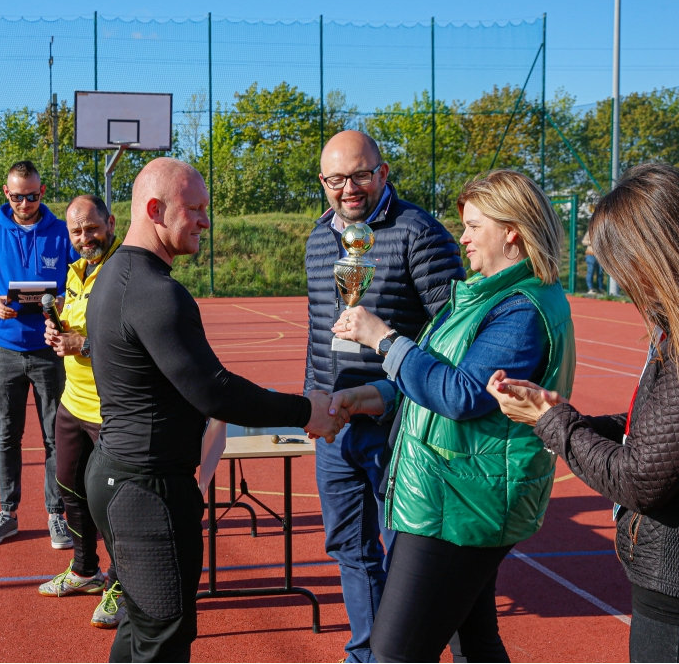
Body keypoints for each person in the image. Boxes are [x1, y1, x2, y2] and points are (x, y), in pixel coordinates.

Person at [86, 157, 346, 662]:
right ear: (156, 209)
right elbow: (215, 392)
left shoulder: (117, 273)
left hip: (121, 478)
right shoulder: (157, 293)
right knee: (164, 638)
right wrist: (306, 411)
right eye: (196, 209)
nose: (206, 221)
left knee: (142, 630)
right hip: (148, 491)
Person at [328, 169, 576, 662]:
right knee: (475, 641)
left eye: (473, 226)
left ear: (511, 230)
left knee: (395, 652)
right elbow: (440, 376)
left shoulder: (522, 308)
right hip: (452, 494)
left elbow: (462, 394)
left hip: (461, 502)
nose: (461, 237)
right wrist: (377, 394)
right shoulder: (482, 295)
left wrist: (384, 339)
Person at [486, 163, 679, 663]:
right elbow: (656, 434)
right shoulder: (670, 328)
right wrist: (566, 417)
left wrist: (552, 423)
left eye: (616, 260)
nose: (613, 275)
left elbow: (639, 478)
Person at [305, 130, 465, 663]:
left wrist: (390, 395)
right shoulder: (319, 238)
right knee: (349, 548)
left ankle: (403, 655)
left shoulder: (421, 233)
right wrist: (316, 399)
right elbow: (318, 331)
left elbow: (453, 340)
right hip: (336, 425)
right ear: (322, 182)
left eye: (359, 175)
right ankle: (366, 654)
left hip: (399, 427)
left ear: (384, 172)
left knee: (405, 556)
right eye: (335, 178)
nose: (347, 188)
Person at [0, 160, 78, 550]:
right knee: (7, 435)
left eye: (32, 195)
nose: (25, 202)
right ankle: (7, 513)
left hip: (49, 351)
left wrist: (64, 299)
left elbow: (82, 282)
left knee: (54, 437)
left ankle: (56, 515)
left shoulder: (62, 234)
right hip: (5, 351)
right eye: (17, 196)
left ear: (41, 193)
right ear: (6, 194)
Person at [39, 194, 125, 629]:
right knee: (69, 486)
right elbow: (82, 326)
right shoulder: (76, 272)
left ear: (110, 223)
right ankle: (85, 570)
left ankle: (123, 584)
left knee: (111, 502)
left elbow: (133, 339)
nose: (85, 237)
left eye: (92, 228)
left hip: (112, 410)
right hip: (73, 401)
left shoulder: (124, 271)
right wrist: (62, 330)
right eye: (76, 231)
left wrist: (84, 344)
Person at [582, 219, 603, 296]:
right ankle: (590, 288)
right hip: (591, 255)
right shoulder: (589, 233)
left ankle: (600, 288)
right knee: (591, 271)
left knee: (600, 273)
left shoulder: (602, 233)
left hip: (600, 256)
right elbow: (583, 241)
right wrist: (591, 242)